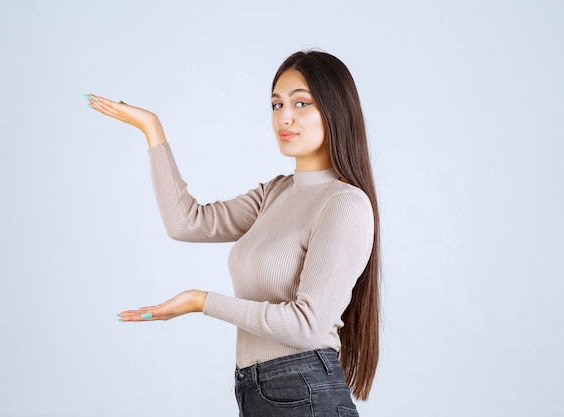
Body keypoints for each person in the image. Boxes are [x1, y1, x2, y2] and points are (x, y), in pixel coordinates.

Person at [86, 50, 381, 417]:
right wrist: (152, 129)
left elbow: (306, 326)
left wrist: (201, 301)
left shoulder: (344, 203)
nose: (284, 117)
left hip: (303, 390)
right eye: (276, 104)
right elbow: (187, 222)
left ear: (337, 110)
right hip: (258, 389)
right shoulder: (275, 193)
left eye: (301, 103)